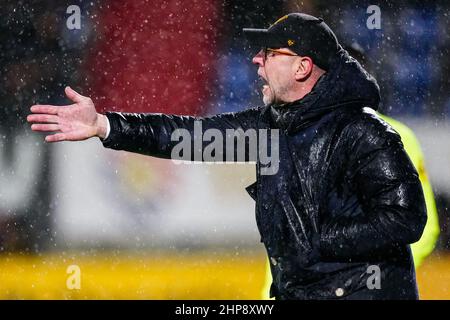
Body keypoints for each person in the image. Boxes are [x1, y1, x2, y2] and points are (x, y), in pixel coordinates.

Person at [27, 13, 427, 299]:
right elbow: (187, 137)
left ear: (303, 67)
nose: (256, 59)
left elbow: (406, 219)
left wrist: (318, 241)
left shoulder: (365, 133)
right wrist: (105, 125)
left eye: (270, 54)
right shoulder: (266, 130)